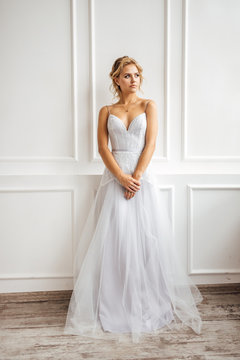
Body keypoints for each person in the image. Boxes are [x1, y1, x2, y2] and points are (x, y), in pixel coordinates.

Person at [63, 56, 203, 343]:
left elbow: (151, 143)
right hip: (114, 180)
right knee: (115, 241)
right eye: (127, 75)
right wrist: (120, 178)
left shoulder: (149, 105)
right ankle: (114, 302)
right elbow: (103, 148)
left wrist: (135, 177)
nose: (134, 79)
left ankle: (145, 298)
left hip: (141, 182)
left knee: (145, 240)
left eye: (136, 74)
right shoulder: (106, 110)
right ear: (116, 79)